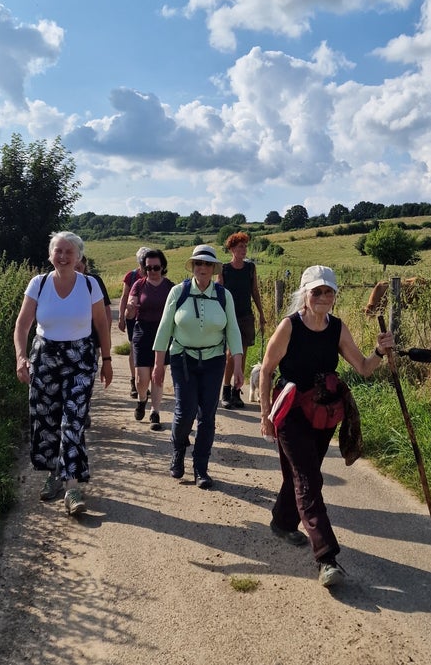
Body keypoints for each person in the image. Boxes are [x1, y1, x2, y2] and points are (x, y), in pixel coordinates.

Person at [258, 265, 394, 587]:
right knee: (308, 477)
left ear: (334, 296)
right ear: (305, 295)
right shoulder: (289, 327)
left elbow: (363, 367)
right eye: (316, 291)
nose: (322, 297)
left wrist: (379, 351)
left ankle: (282, 521)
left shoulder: (336, 328)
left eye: (328, 291)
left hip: (324, 413)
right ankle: (326, 557)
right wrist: (265, 415)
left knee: (303, 471)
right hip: (290, 409)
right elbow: (266, 370)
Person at [14, 231, 113, 516]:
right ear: (50, 254)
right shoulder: (39, 283)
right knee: (46, 421)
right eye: (58, 251)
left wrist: (106, 359)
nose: (63, 256)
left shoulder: (90, 285)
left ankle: (71, 487)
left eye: (69, 252)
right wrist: (21, 357)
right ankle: (52, 474)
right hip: (44, 359)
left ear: (79, 256)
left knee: (73, 420)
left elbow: (101, 325)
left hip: (80, 359)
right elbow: (22, 326)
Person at [152, 244, 243, 489]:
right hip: (183, 359)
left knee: (207, 417)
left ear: (214, 268)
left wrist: (237, 365)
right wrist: (158, 365)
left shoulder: (224, 296)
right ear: (192, 266)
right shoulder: (178, 292)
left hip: (214, 361)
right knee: (185, 412)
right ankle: (178, 450)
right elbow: (164, 329)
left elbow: (233, 330)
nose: (202, 267)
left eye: (207, 264)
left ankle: (201, 467)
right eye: (198, 263)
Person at [124, 249, 174, 431]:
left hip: (162, 333)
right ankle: (142, 399)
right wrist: (129, 309)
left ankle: (155, 412)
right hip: (142, 332)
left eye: (156, 267)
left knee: (157, 375)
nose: (152, 271)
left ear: (163, 267)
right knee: (141, 378)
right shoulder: (139, 284)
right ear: (144, 269)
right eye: (148, 268)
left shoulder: (170, 286)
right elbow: (129, 313)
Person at [218, 232, 266, 409]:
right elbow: (219, 294)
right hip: (230, 316)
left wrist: (261, 314)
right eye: (240, 246)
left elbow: (254, 291)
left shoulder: (250, 268)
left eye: (245, 246)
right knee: (231, 354)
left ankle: (236, 393)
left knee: (243, 354)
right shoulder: (224, 269)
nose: (244, 250)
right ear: (232, 249)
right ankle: (226, 390)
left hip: (246, 315)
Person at [118, 247, 151, 399]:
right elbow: (124, 297)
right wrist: (121, 318)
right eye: (142, 262)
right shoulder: (131, 276)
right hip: (133, 318)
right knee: (134, 348)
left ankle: (144, 383)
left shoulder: (155, 273)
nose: (145, 265)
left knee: (149, 350)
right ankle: (134, 380)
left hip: (150, 319)